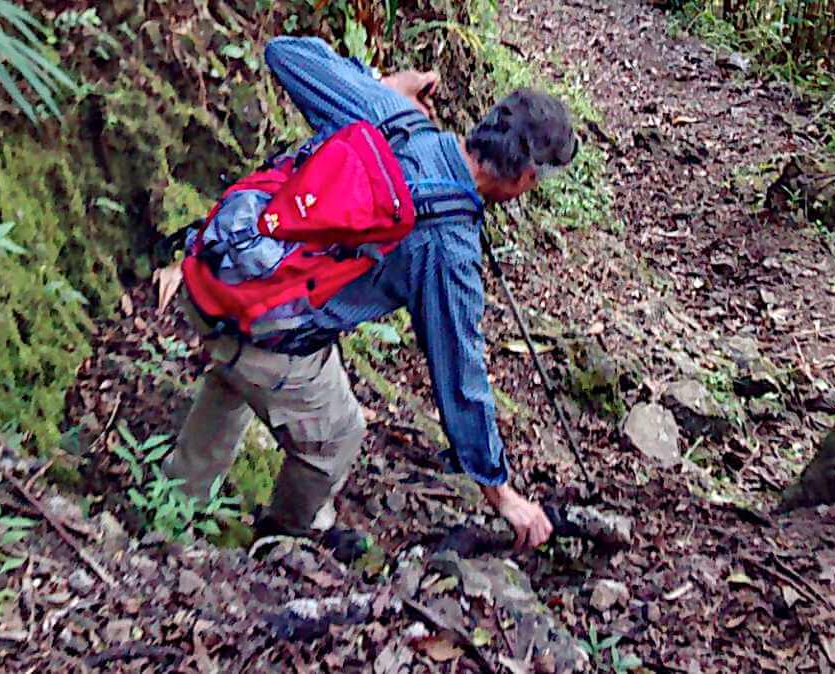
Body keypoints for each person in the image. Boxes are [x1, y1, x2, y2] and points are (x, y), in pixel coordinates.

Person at [164, 35, 578, 557]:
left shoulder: (390, 115)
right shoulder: (449, 247)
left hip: (217, 271)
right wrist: (501, 493)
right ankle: (283, 540)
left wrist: (381, 85)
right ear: (523, 179)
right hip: (266, 324)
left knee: (243, 375)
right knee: (338, 434)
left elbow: (284, 53)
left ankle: (173, 505)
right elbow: (460, 377)